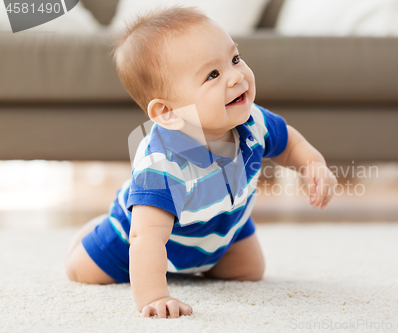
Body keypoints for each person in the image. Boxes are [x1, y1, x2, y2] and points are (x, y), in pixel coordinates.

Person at [65, 6, 337, 319]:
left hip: (225, 223)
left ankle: (203, 258)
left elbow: (290, 143)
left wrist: (312, 165)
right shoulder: (162, 166)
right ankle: (90, 232)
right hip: (137, 237)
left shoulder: (252, 121)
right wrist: (154, 296)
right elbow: (147, 238)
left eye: (234, 59)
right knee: (81, 270)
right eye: (213, 75)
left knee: (250, 271)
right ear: (167, 113)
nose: (236, 76)